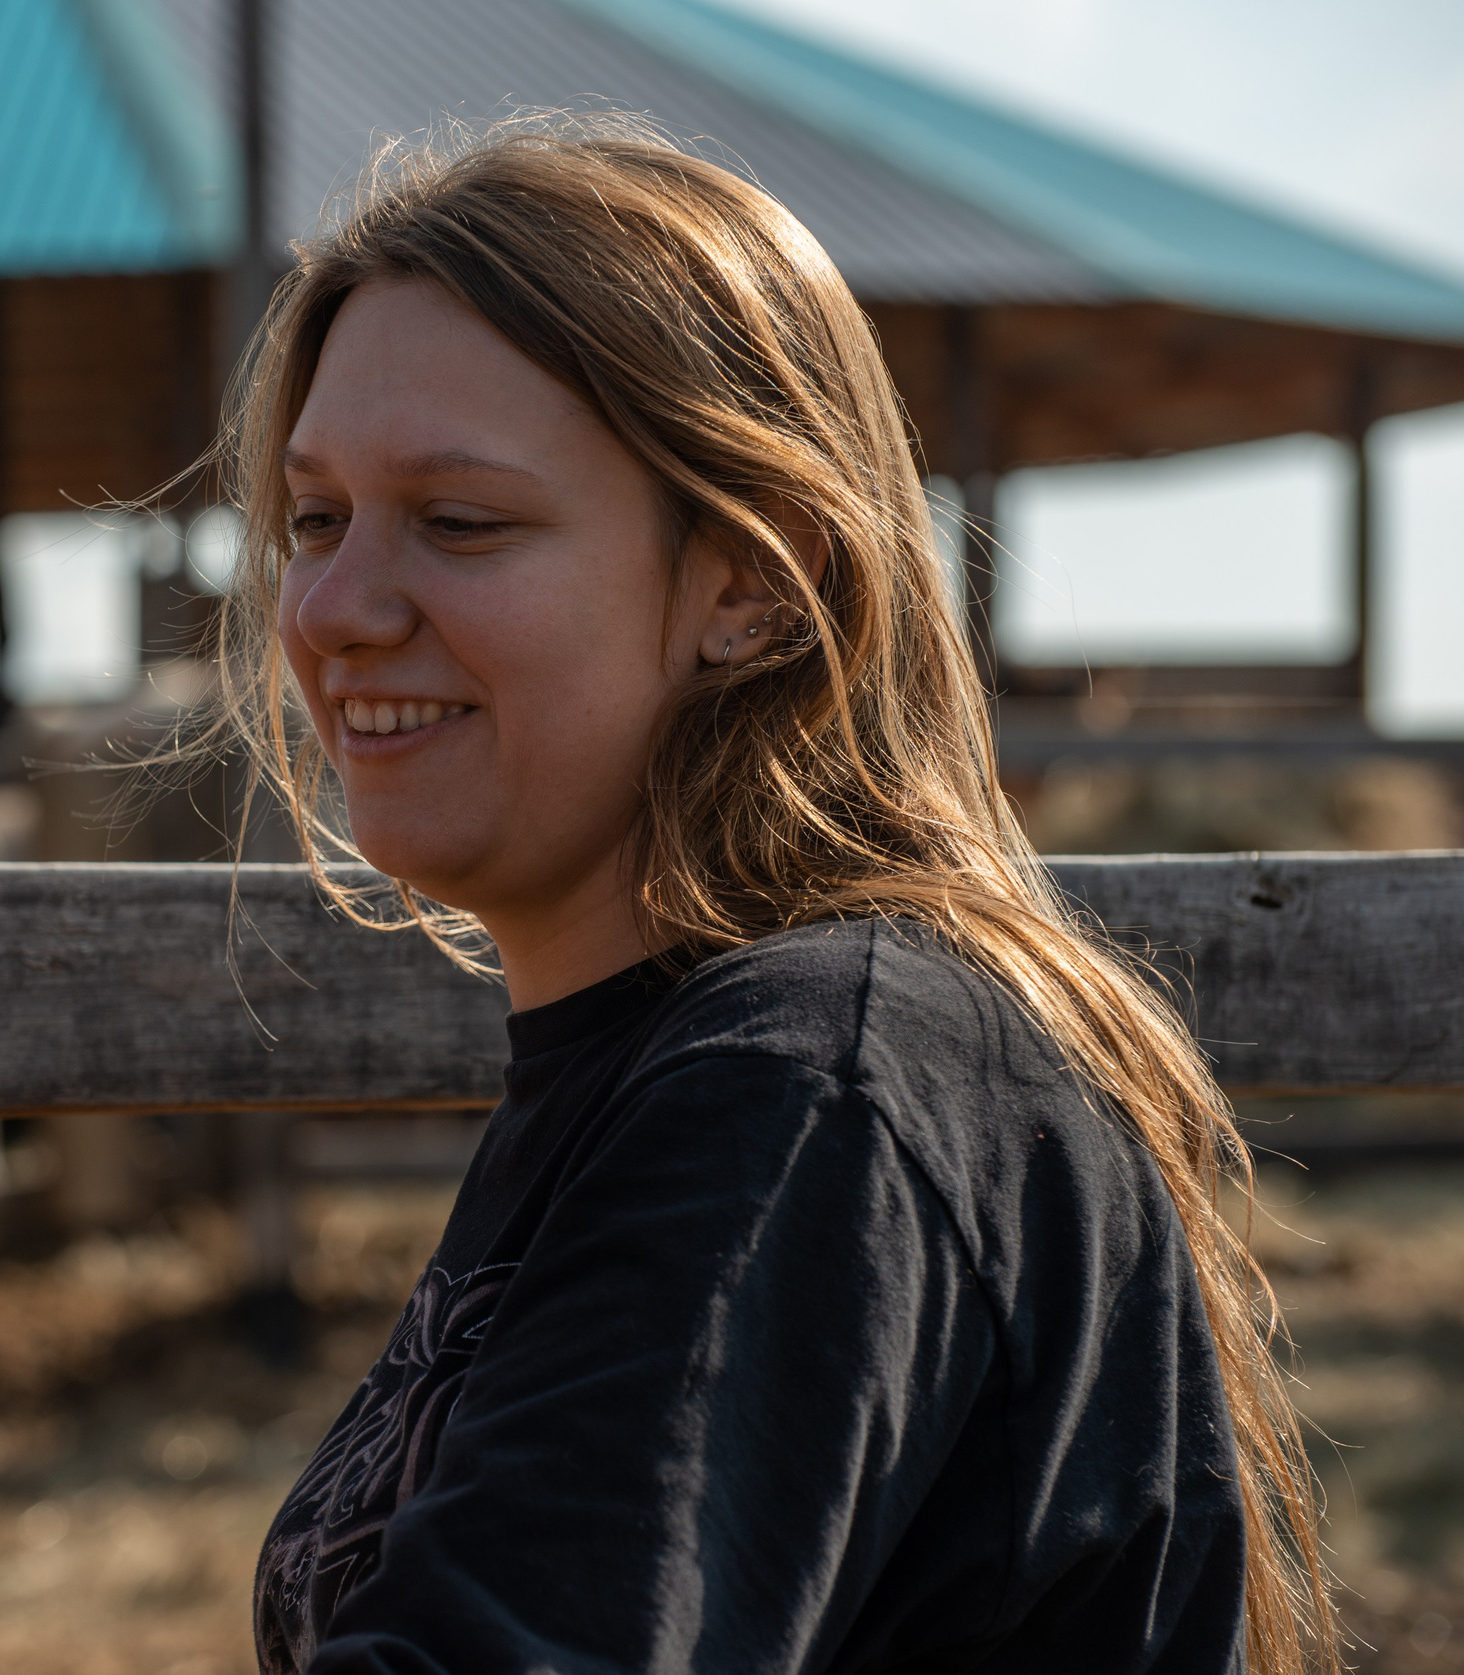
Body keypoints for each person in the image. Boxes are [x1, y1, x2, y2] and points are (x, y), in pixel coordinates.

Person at [197, 120, 1335, 1675]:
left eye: (460, 521)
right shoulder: (718, 1063)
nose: (331, 607)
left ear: (750, 583)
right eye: (315, 519)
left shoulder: (812, 1093)